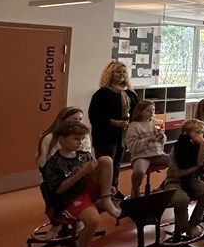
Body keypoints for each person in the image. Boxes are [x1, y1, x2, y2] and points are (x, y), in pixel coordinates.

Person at [41, 119, 120, 247]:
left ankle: (105, 199)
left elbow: (95, 173)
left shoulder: (83, 155)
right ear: (62, 140)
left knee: (106, 160)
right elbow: (59, 190)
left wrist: (105, 183)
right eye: (76, 139)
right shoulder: (53, 164)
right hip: (68, 199)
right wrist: (82, 172)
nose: (80, 142)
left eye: (82, 139)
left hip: (86, 191)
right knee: (94, 220)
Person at [88, 61, 138, 193]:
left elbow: (136, 111)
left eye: (123, 72)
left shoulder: (130, 93)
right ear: (110, 74)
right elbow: (94, 115)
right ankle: (102, 192)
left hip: (122, 135)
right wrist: (113, 122)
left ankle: (114, 189)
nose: (121, 74)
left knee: (117, 163)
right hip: (105, 135)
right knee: (106, 163)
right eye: (118, 72)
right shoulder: (102, 93)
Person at [162, 119, 204, 238]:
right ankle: (184, 227)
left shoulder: (198, 145)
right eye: (197, 132)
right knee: (182, 199)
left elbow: (200, 162)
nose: (200, 136)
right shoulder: (178, 148)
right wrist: (196, 167)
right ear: (186, 133)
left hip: (191, 178)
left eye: (202, 132)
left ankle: (194, 223)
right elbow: (177, 174)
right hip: (174, 181)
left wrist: (203, 145)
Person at [125, 99, 169, 196]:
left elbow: (163, 142)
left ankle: (161, 189)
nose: (152, 112)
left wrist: (162, 136)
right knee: (139, 172)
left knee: (177, 163)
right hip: (141, 156)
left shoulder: (156, 122)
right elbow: (131, 147)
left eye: (153, 110)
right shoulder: (134, 126)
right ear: (140, 112)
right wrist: (148, 140)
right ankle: (135, 193)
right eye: (148, 110)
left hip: (157, 155)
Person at [36, 107, 92, 172]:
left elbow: (86, 157)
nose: (78, 122)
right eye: (74, 119)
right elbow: (46, 163)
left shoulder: (85, 136)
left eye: (80, 119)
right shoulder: (49, 138)